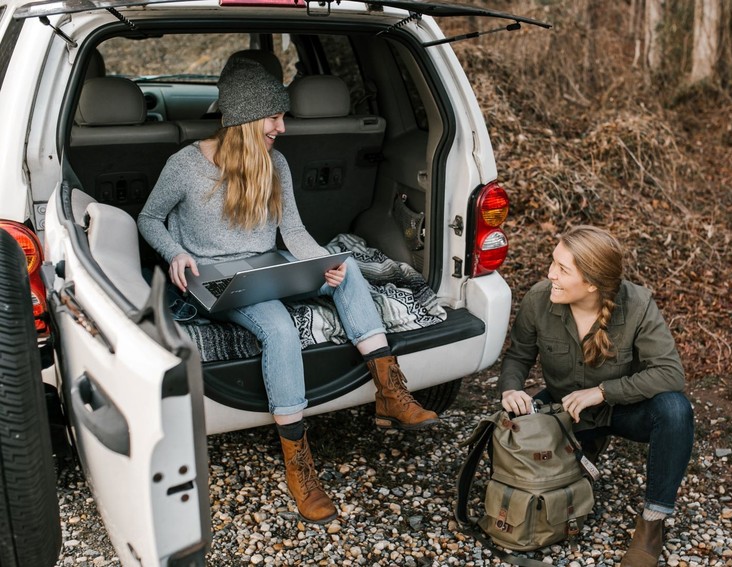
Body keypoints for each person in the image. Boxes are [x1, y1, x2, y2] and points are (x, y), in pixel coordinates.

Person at [137, 57, 439, 525]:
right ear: (244, 117)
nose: (282, 127)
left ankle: (389, 389)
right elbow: (148, 219)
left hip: (266, 267)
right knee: (279, 327)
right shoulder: (186, 165)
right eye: (274, 117)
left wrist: (323, 263)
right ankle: (300, 466)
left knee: (348, 267)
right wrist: (176, 253)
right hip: (214, 279)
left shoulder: (275, 163)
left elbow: (293, 232)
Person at [498, 225, 693, 567]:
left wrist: (602, 392)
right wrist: (512, 389)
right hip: (565, 413)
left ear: (591, 283)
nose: (550, 274)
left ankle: (652, 523)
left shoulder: (637, 304)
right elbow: (518, 356)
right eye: (553, 263)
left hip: (623, 411)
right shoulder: (539, 298)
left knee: (676, 410)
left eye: (562, 269)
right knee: (511, 427)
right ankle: (582, 452)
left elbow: (670, 373)